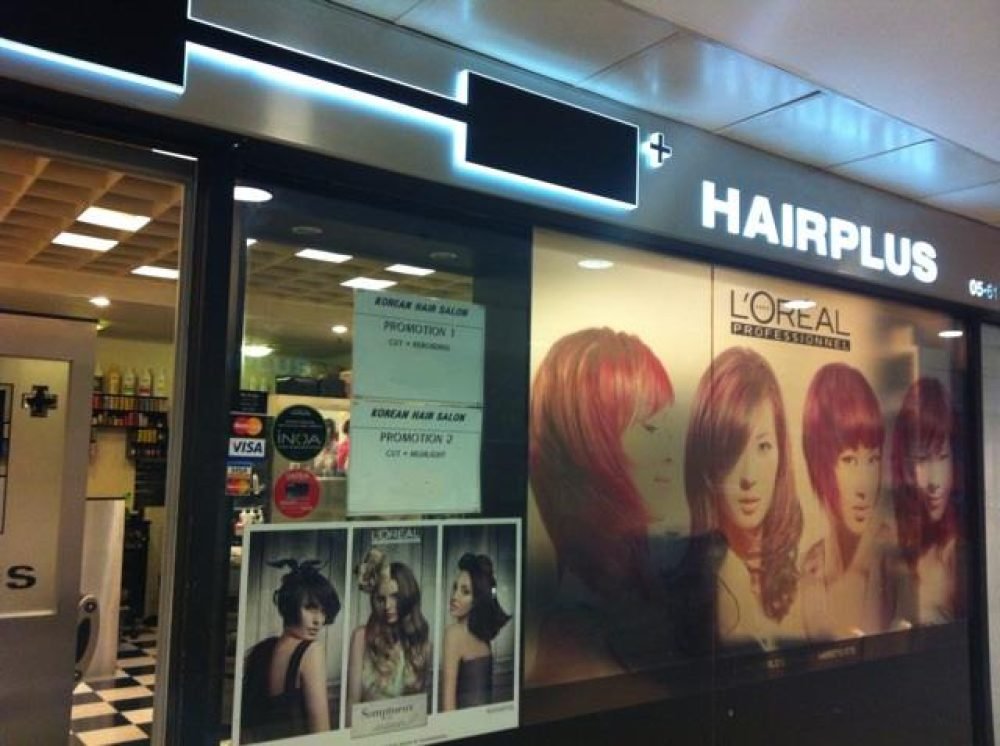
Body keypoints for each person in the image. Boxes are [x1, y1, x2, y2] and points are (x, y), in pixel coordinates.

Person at [528, 327, 677, 682]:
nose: (672, 450)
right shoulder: (574, 634)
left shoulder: (631, 573)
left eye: (667, 426)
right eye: (650, 428)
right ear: (591, 445)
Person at [682, 346, 804, 651]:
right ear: (706, 460)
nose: (748, 476)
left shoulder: (800, 580)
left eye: (763, 447)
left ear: (781, 453)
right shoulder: (705, 587)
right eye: (734, 450)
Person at [800, 363, 902, 639]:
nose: (864, 486)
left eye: (873, 459)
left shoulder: (894, 558)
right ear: (819, 463)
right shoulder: (809, 571)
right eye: (848, 460)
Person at [240, 559, 341, 743]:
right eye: (310, 608)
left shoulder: (260, 651)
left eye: (323, 611)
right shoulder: (311, 652)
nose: (319, 620)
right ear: (291, 605)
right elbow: (322, 737)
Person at [890, 377, 963, 624]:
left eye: (942, 457)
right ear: (905, 464)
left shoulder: (957, 554)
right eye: (921, 459)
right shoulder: (896, 541)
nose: (934, 481)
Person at [346, 549, 431, 723]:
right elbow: (352, 703)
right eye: (381, 599)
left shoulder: (422, 644)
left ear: (408, 597)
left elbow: (421, 709)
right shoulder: (361, 637)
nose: (387, 606)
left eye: (395, 597)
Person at [441, 553, 511, 711]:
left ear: (477, 599)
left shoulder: (453, 634)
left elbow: (448, 707)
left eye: (465, 591)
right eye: (455, 587)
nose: (454, 596)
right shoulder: (484, 636)